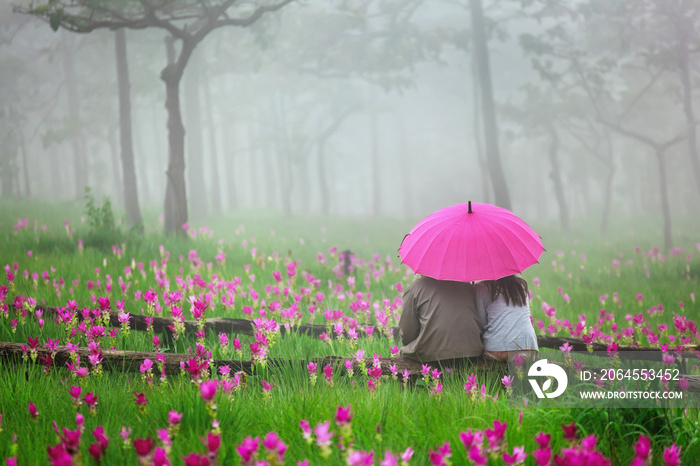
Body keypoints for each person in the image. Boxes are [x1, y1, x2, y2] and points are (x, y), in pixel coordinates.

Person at [398, 276, 484, 362]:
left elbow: (407, 331)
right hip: (473, 352)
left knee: (402, 353)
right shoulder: (468, 286)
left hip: (432, 354)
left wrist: (410, 345)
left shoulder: (415, 287)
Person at [475, 274, 538, 361]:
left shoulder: (481, 288)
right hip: (529, 347)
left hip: (496, 351)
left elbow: (481, 324)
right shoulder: (521, 285)